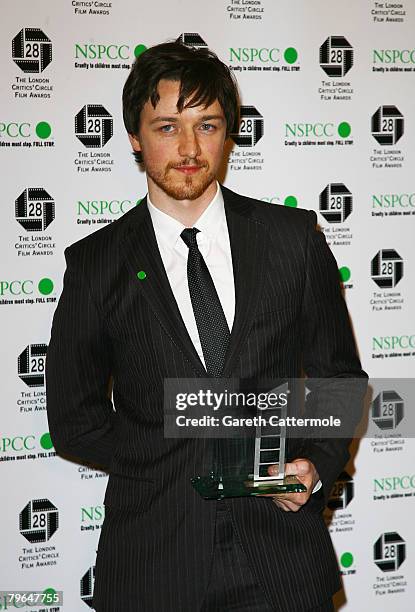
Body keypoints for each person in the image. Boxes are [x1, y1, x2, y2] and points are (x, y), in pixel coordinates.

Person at [46, 42, 367, 612]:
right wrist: (173, 452)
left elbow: (338, 379)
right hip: (153, 557)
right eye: (167, 126)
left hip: (280, 559)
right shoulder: (97, 264)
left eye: (207, 125)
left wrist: (315, 464)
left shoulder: (292, 242)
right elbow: (74, 421)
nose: (190, 149)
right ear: (135, 138)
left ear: (228, 133)